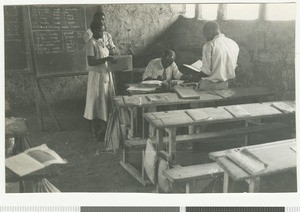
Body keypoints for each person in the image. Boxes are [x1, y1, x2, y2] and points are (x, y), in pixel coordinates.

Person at [84, 21, 117, 141]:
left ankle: (105, 129)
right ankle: (95, 131)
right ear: (93, 31)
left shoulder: (101, 41)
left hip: (105, 75)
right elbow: (91, 62)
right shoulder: (90, 43)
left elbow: (106, 54)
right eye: (100, 31)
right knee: (95, 103)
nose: (102, 33)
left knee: (104, 101)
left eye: (103, 31)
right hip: (96, 77)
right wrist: (107, 58)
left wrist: (111, 57)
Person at [197, 21, 239, 90]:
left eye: (205, 35)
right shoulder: (233, 43)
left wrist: (194, 75)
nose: (205, 38)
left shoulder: (209, 45)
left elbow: (206, 72)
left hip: (211, 85)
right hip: (227, 84)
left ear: (211, 32)